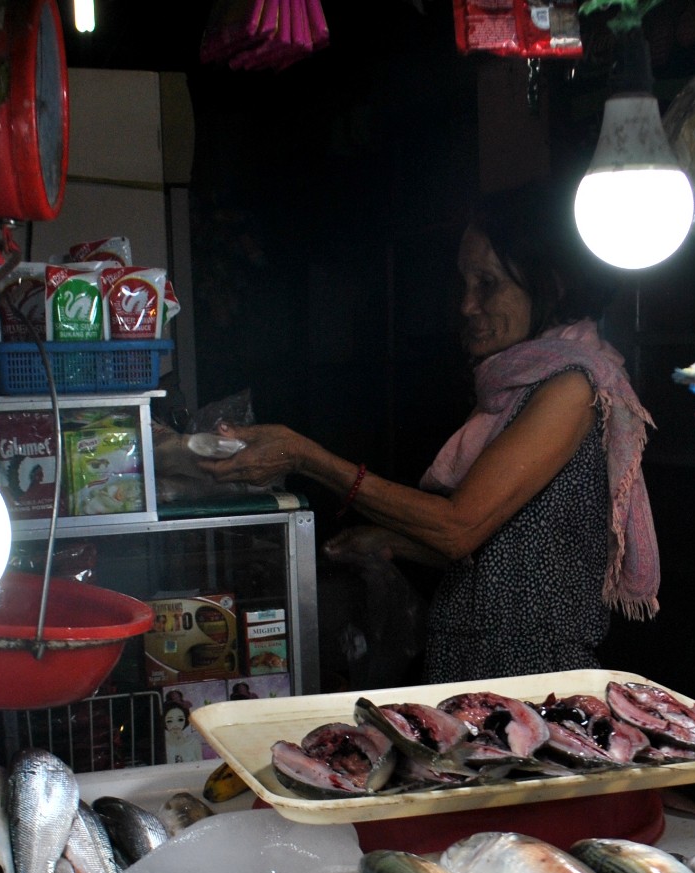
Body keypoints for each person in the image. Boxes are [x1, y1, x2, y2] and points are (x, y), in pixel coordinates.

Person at [196, 184, 660, 680]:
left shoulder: (571, 386)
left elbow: (459, 527)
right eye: (464, 283)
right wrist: (394, 542)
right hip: (479, 666)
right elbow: (511, 547)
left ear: (551, 285)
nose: (466, 305)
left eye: (487, 284)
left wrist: (305, 456)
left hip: (530, 678)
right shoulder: (517, 384)